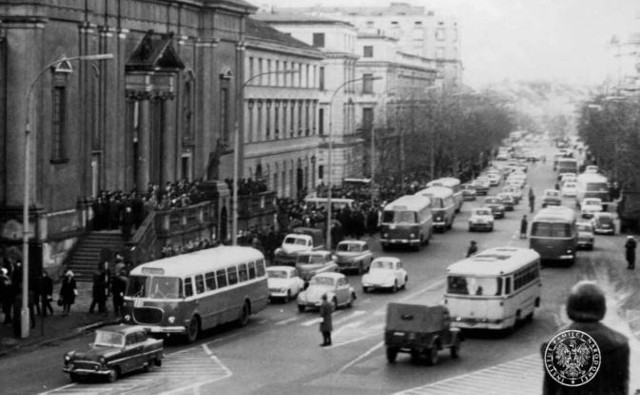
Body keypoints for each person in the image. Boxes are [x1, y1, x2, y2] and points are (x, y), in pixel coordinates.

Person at [540, 281, 629, 394]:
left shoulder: (552, 344)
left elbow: (549, 390)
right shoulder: (619, 343)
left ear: (570, 307)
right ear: (601, 307)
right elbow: (622, 388)